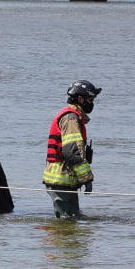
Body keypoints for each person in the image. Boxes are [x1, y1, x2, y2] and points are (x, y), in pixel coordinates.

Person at [42, 79, 100, 218]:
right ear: (80, 99)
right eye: (90, 99)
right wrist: (87, 178)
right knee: (67, 224)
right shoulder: (71, 119)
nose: (92, 103)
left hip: (65, 180)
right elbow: (72, 152)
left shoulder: (73, 117)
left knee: (71, 221)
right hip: (61, 180)